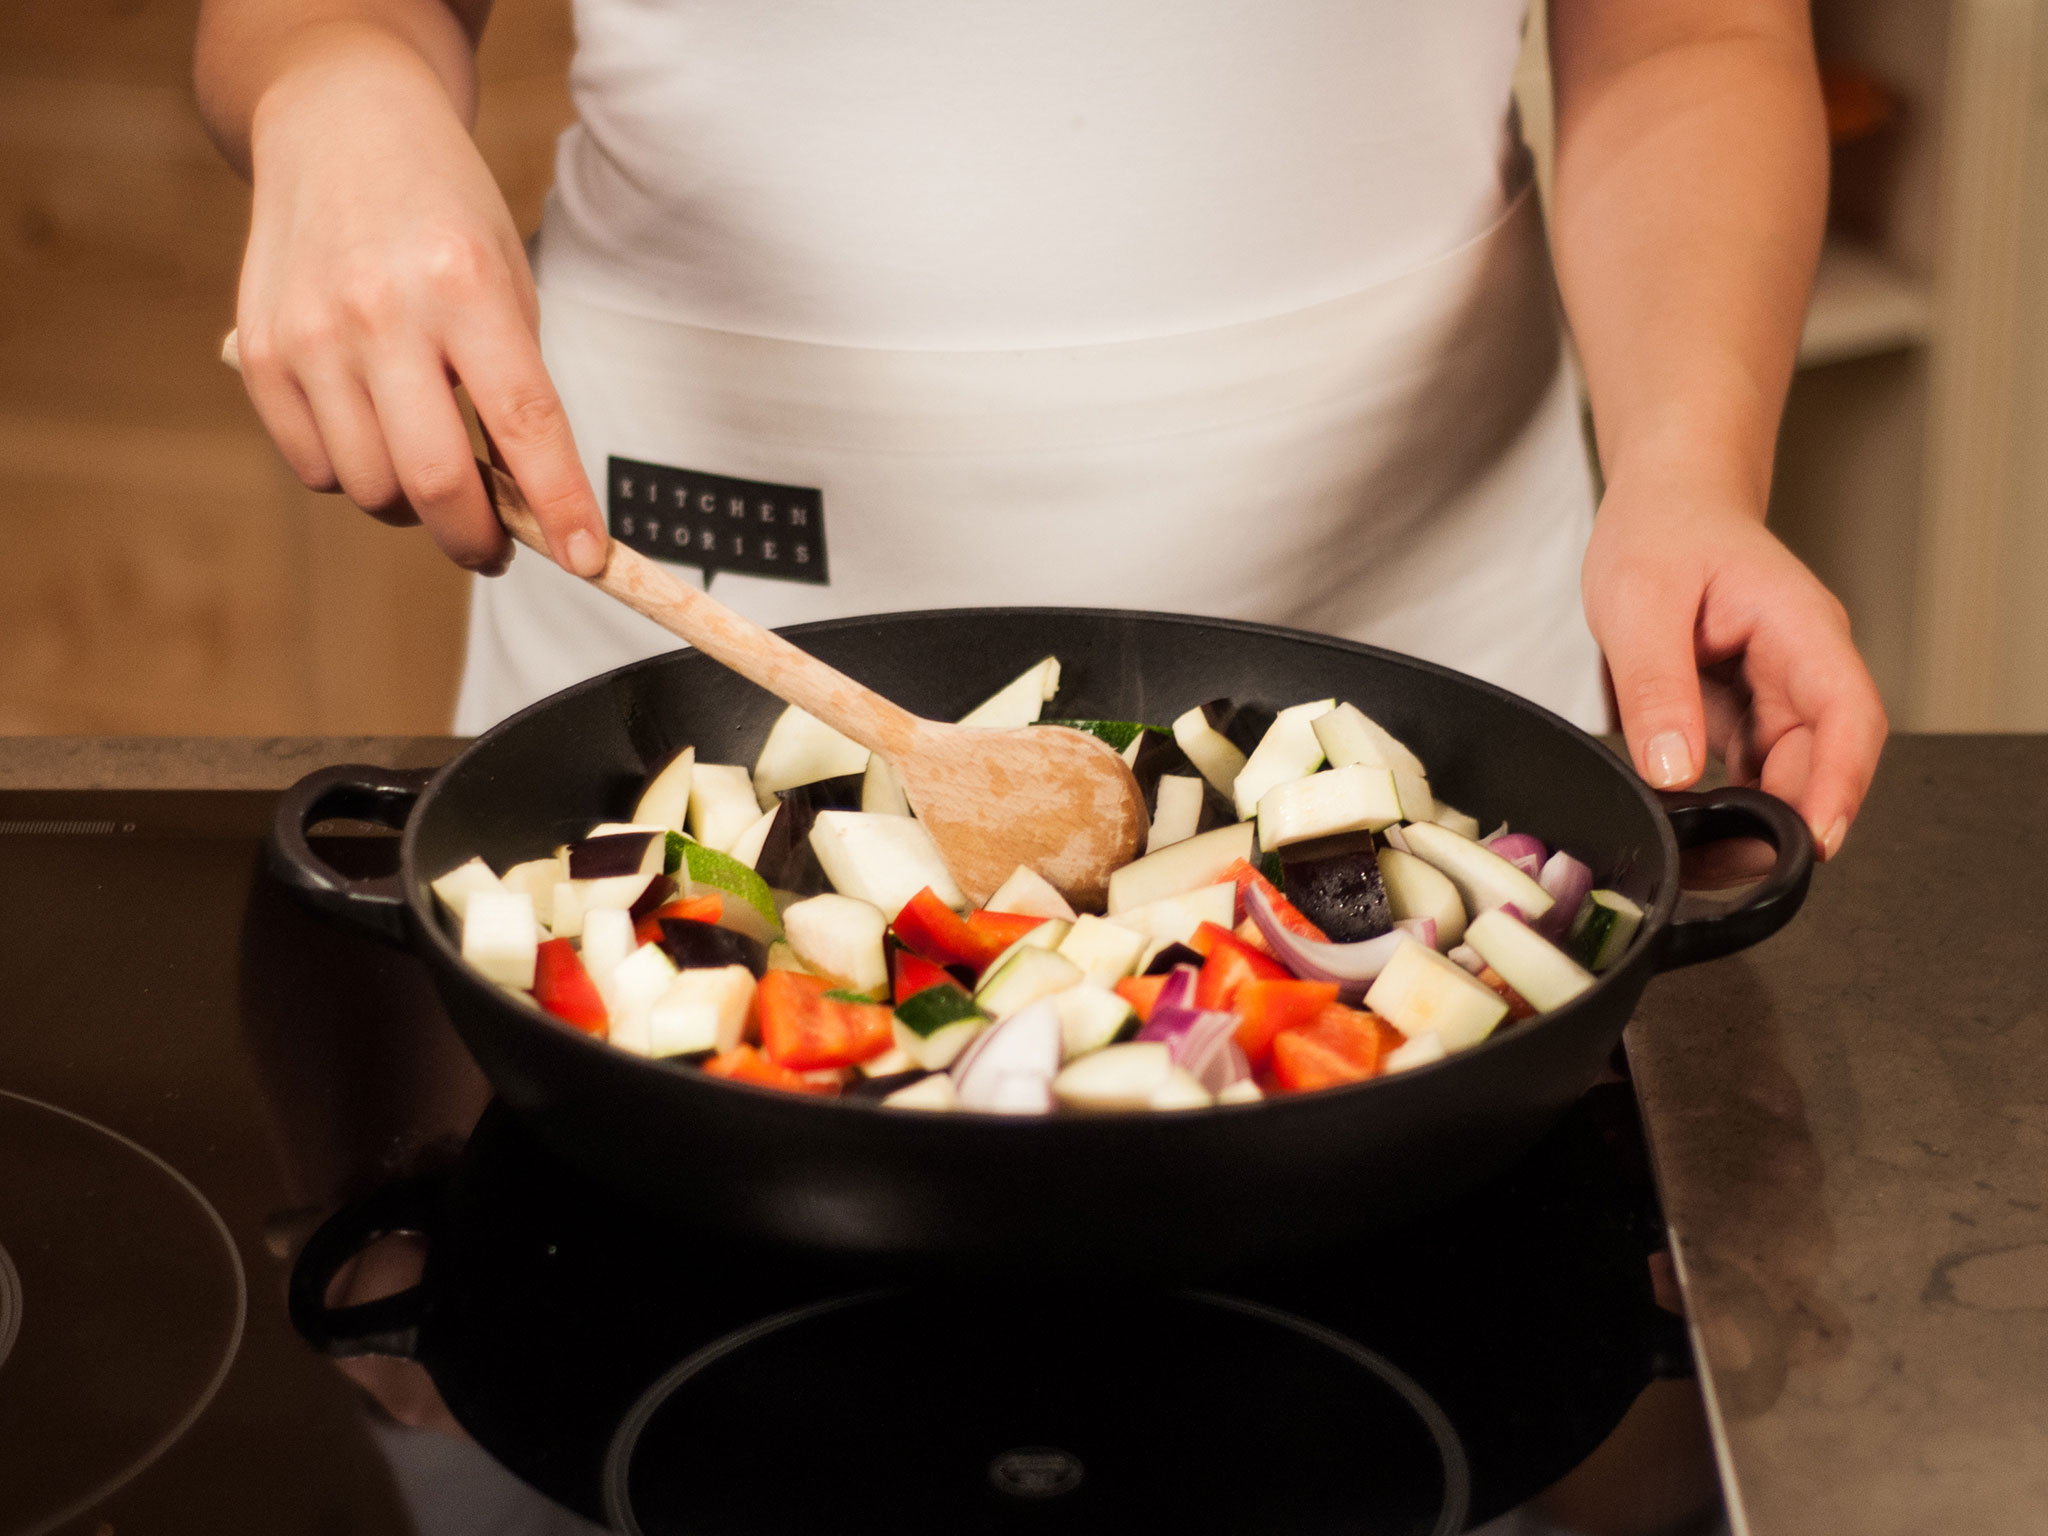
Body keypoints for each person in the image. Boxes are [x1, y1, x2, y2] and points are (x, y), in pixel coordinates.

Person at [195, 0, 1886, 857]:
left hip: (1429, 674)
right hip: (669, 673)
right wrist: (335, 82)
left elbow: (1691, 31)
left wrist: (1684, 466)